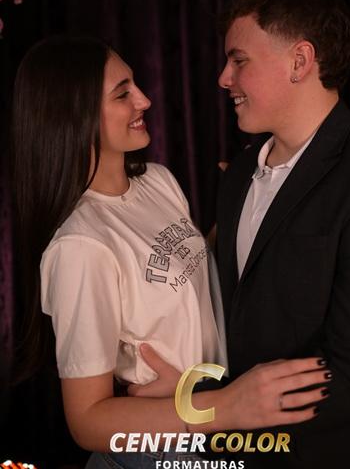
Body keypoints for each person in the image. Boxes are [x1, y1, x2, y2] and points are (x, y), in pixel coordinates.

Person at [12, 35, 330, 469]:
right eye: (122, 93)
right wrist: (227, 405)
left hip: (208, 427)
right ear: (73, 114)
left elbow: (183, 272)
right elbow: (87, 421)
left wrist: (247, 202)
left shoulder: (157, 181)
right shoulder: (80, 246)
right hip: (157, 451)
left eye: (136, 85)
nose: (144, 100)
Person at [214, 0, 350, 467]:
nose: (224, 78)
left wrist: (217, 409)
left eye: (239, 60)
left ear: (299, 61)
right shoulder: (237, 177)